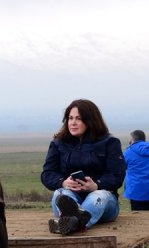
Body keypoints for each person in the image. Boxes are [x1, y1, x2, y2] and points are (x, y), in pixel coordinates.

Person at [41, 99, 125, 235]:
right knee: (60, 194)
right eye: (70, 118)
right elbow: (47, 174)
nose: (73, 122)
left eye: (78, 118)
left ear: (91, 120)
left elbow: (117, 176)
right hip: (72, 195)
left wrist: (96, 185)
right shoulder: (58, 143)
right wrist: (63, 183)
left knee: (98, 196)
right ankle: (73, 223)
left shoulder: (110, 143)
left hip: (103, 202)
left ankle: (67, 223)